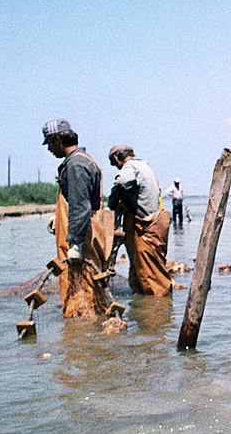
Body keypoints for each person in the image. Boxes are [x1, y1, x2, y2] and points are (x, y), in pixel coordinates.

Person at [42, 119, 114, 317]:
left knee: (83, 292)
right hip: (86, 230)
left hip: (83, 237)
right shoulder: (83, 160)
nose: (49, 148)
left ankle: (83, 338)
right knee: (88, 287)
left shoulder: (76, 165)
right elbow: (78, 201)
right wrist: (57, 217)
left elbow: (80, 207)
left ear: (58, 139)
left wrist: (75, 244)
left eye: (49, 142)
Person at [107, 144, 173, 296]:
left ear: (117, 158)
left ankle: (155, 311)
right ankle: (153, 306)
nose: (116, 167)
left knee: (151, 273)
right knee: (150, 268)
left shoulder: (130, 167)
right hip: (155, 223)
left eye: (114, 163)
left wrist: (113, 201)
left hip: (146, 225)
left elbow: (122, 182)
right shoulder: (144, 166)